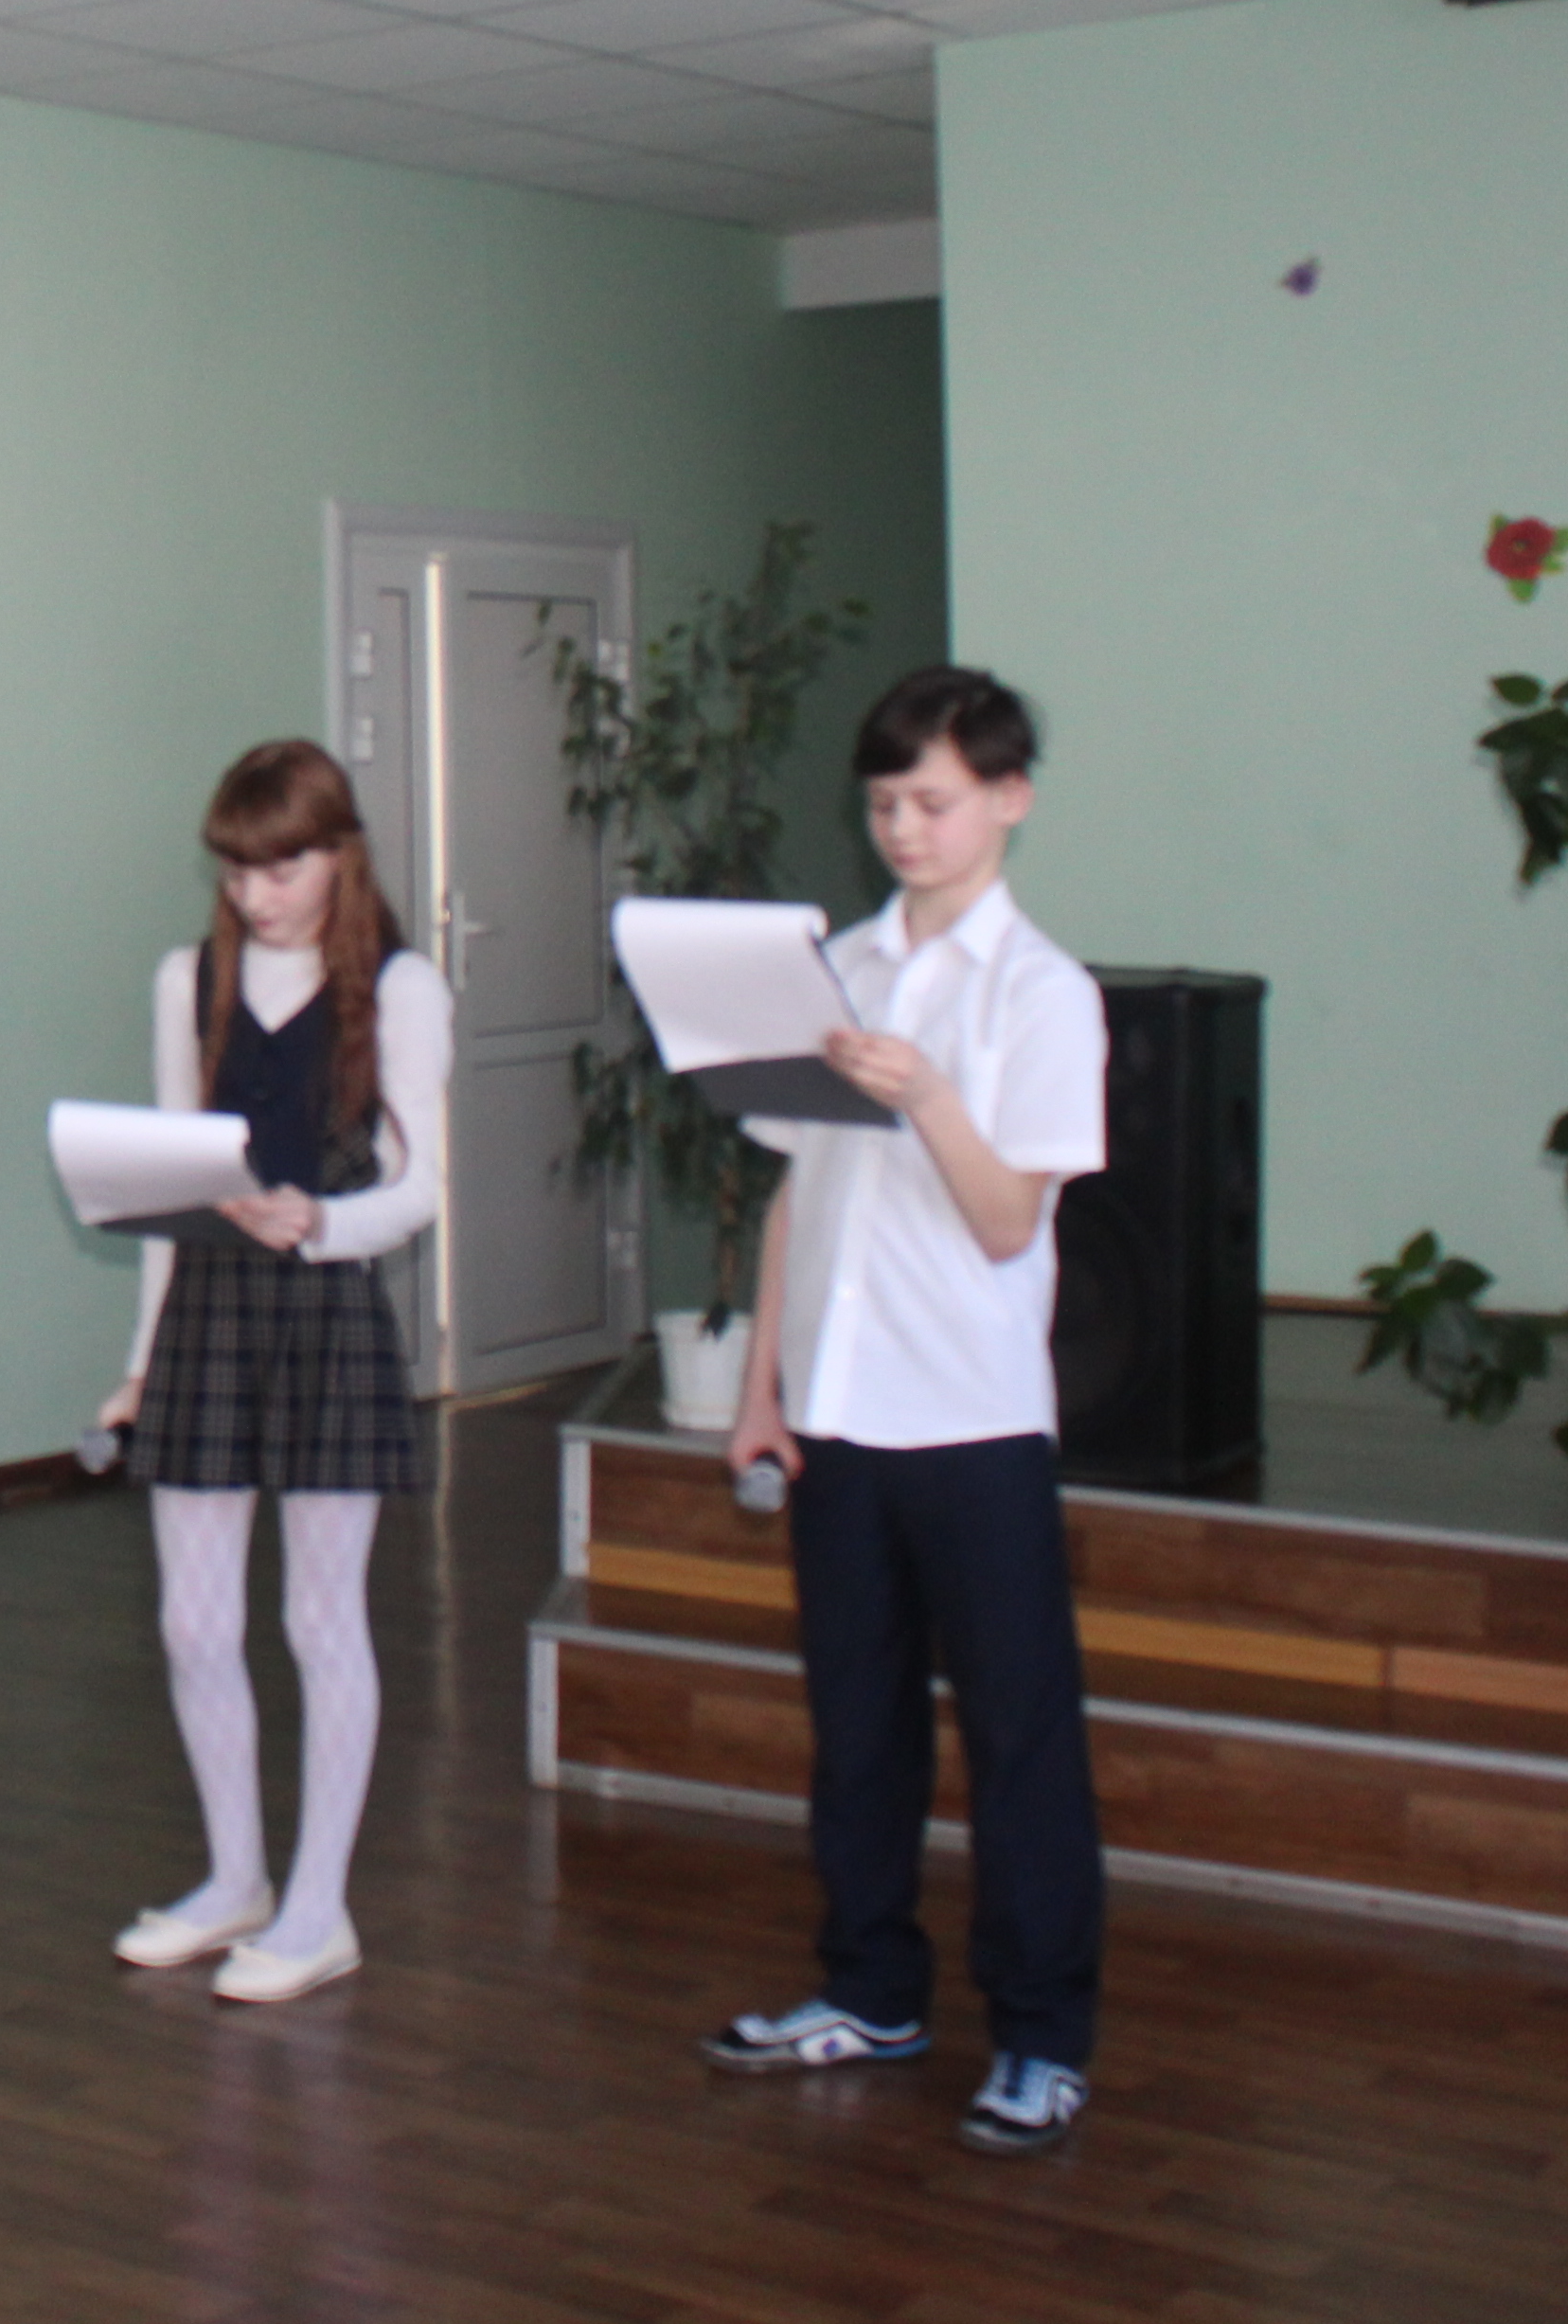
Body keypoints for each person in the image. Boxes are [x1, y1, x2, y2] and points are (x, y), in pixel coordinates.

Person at [705, 665, 1111, 2157]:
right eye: (884, 804)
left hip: (972, 1419)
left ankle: (1043, 2037)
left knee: (1018, 1742)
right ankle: (871, 1991)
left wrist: (932, 1097)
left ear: (1008, 799)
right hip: (838, 1415)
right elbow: (797, 1194)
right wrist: (760, 1389)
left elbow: (1008, 1224)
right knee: (858, 1732)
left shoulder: (1043, 993)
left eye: (931, 802)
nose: (904, 830)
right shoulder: (840, 969)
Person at [92, 740, 451, 2004]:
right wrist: (140, 1366)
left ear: (340, 856)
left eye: (283, 869)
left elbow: (420, 1187)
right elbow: (171, 1185)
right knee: (193, 1621)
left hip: (327, 1307)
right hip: (209, 1310)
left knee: (317, 1619)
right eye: (238, 872)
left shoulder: (401, 986)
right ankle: (236, 1878)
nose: (258, 896)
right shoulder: (187, 980)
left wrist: (323, 1222)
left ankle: (317, 1908)